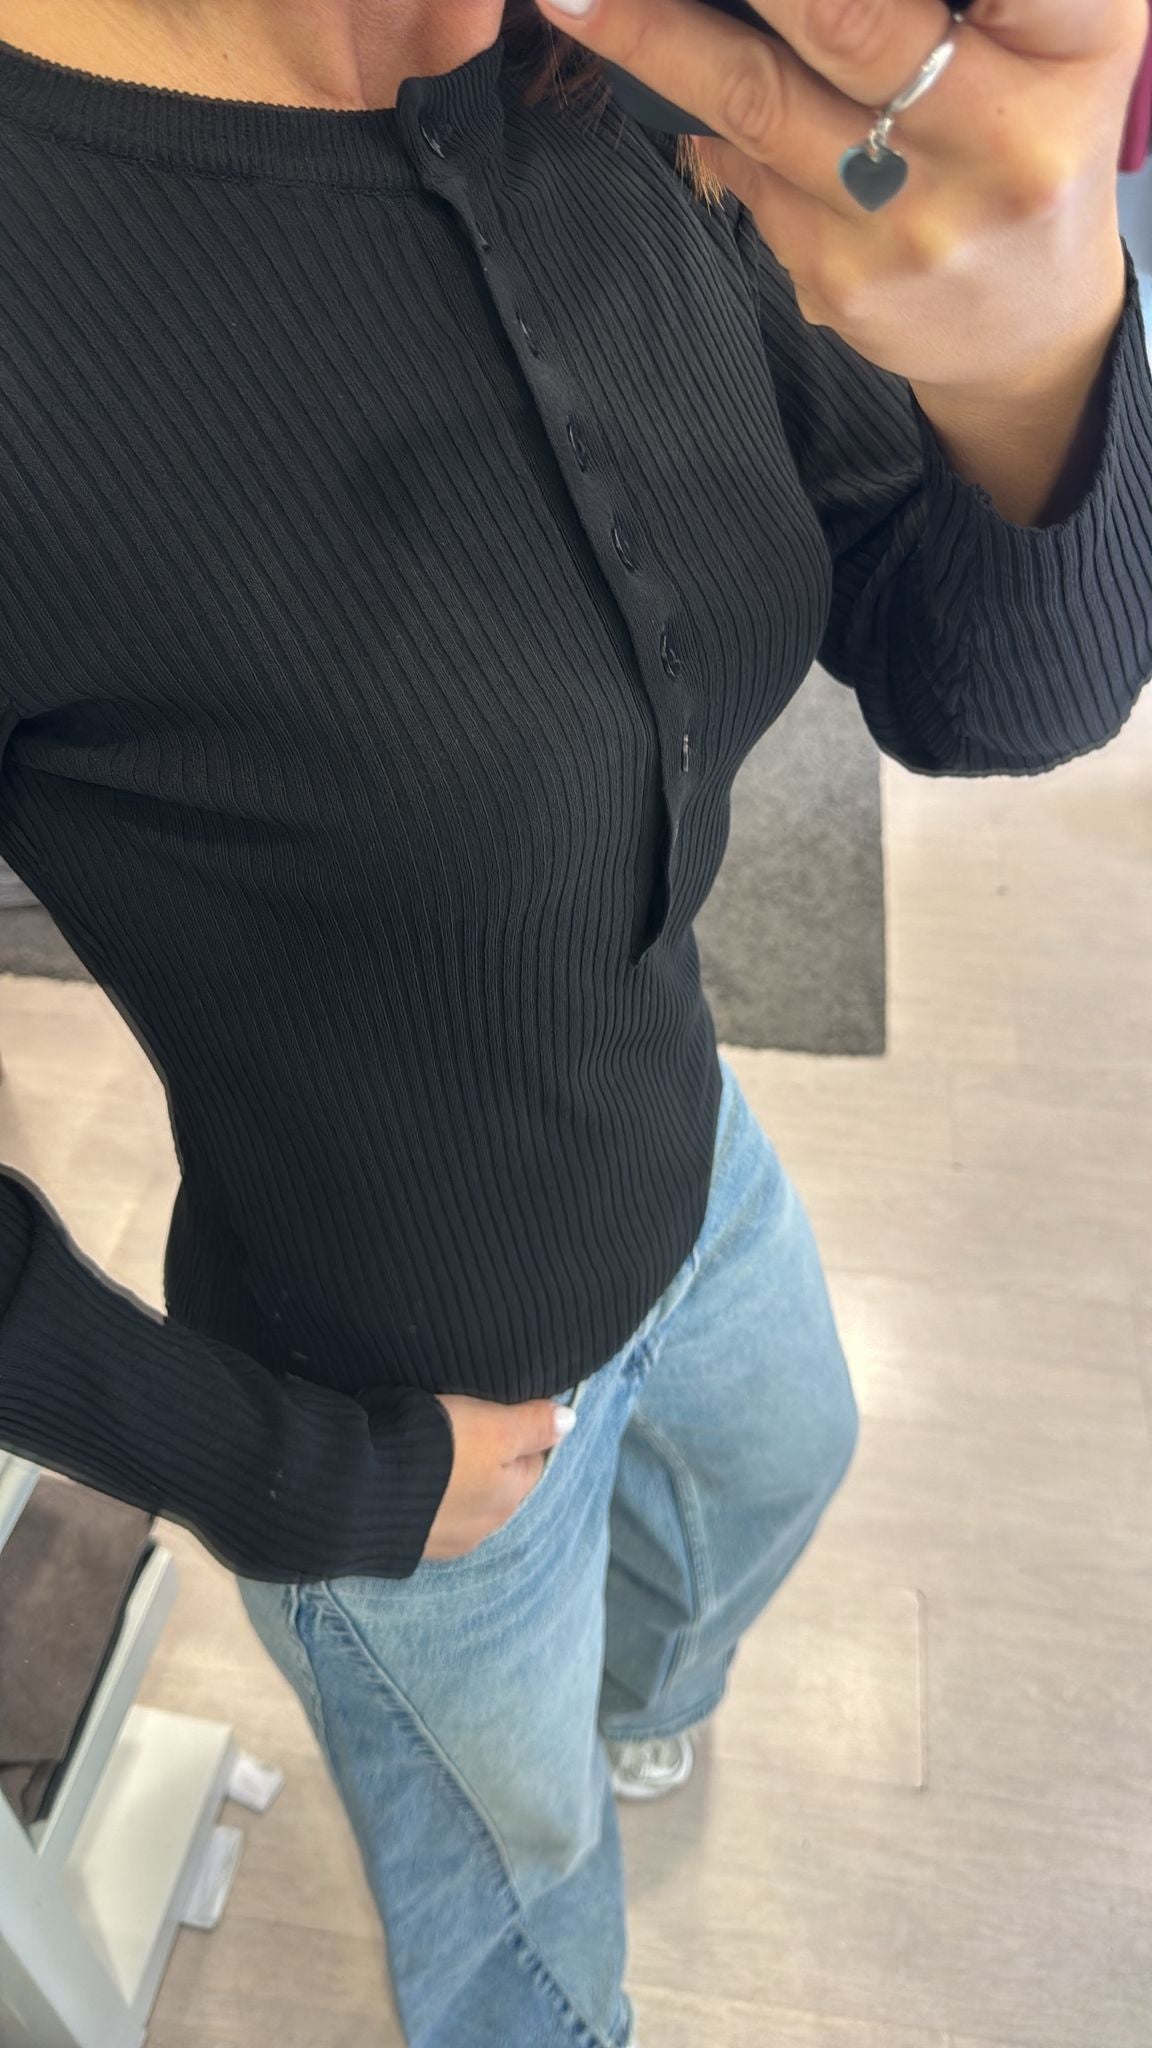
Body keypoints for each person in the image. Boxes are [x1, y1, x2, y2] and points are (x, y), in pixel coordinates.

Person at [0, 4, 1149, 2045]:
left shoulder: (623, 60)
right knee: (526, 1937)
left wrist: (1041, 350)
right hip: (393, 1381)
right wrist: (304, 1482)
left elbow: (981, 675)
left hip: (678, 1143)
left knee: (786, 1460)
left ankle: (639, 1706)